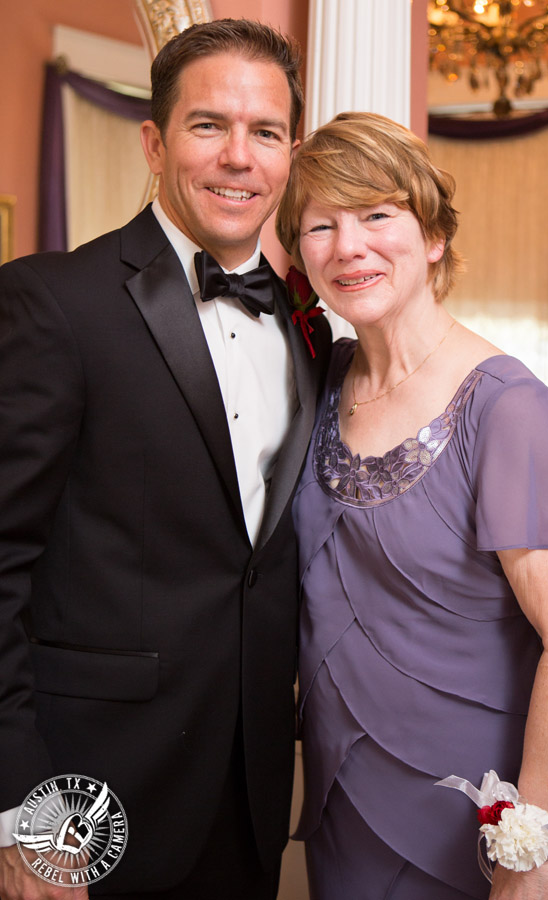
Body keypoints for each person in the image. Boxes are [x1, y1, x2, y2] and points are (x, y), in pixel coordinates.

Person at [0, 19, 330, 900]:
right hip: (88, 793)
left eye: (264, 133)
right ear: (154, 141)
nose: (238, 157)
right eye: (207, 125)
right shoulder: (52, 303)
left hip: (252, 792)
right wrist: (24, 814)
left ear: (289, 154)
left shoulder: (309, 330)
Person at [275, 110, 548, 900]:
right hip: (346, 799)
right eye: (321, 225)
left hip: (492, 815)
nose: (348, 246)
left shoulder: (505, 406)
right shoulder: (323, 379)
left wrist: (532, 847)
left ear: (432, 238)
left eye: (378, 215)